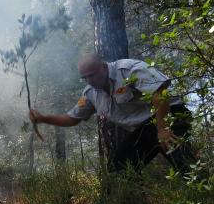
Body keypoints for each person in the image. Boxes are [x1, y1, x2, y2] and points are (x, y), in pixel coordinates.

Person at [29, 53, 195, 174]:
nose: (89, 80)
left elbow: (160, 94)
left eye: (92, 75)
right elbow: (72, 118)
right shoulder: (90, 93)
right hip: (144, 129)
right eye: (84, 77)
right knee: (119, 169)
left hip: (170, 115)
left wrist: (163, 129)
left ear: (103, 66)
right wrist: (44, 118)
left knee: (186, 165)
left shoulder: (129, 69)